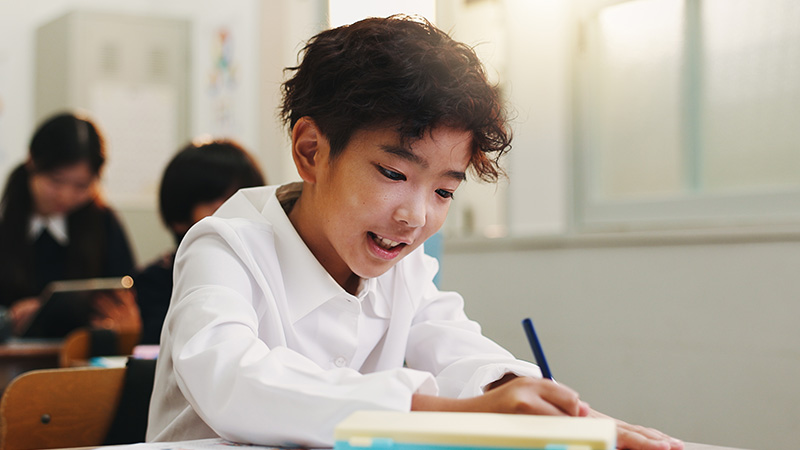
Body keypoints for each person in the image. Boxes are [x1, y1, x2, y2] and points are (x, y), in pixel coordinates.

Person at [147, 16, 683, 450]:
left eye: (444, 192)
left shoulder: (401, 268)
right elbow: (232, 380)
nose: (415, 216)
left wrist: (524, 398)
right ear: (312, 151)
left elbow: (457, 348)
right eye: (393, 174)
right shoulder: (225, 245)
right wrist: (460, 416)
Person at [0, 112, 138, 336]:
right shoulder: (5, 220)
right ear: (32, 162)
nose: (65, 196)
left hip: (84, 359)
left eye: (81, 186)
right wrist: (8, 317)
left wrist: (122, 320)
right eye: (56, 181)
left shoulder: (104, 223)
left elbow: (126, 293)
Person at [134, 138, 265, 345]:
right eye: (216, 205)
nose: (232, 213)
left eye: (238, 201)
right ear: (180, 215)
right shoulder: (155, 282)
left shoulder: (266, 273)